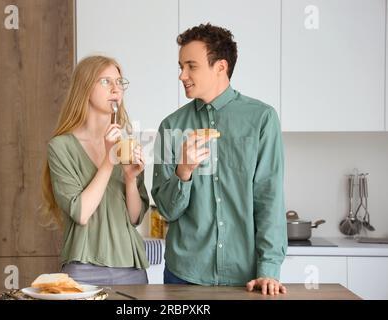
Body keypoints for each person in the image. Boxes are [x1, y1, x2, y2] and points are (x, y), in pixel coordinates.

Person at [151, 23, 287, 295]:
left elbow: (269, 199)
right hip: (184, 275)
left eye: (191, 66)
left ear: (221, 67)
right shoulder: (171, 126)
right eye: (180, 66)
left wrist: (268, 270)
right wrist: (184, 171)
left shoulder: (261, 119)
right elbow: (166, 210)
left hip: (245, 277)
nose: (182, 75)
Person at [40, 55, 150, 285]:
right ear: (84, 88)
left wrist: (130, 179)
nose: (115, 88)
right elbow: (81, 213)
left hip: (130, 266)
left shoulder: (128, 145)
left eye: (119, 82)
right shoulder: (60, 147)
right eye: (105, 81)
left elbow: (134, 217)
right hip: (83, 267)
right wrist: (109, 161)